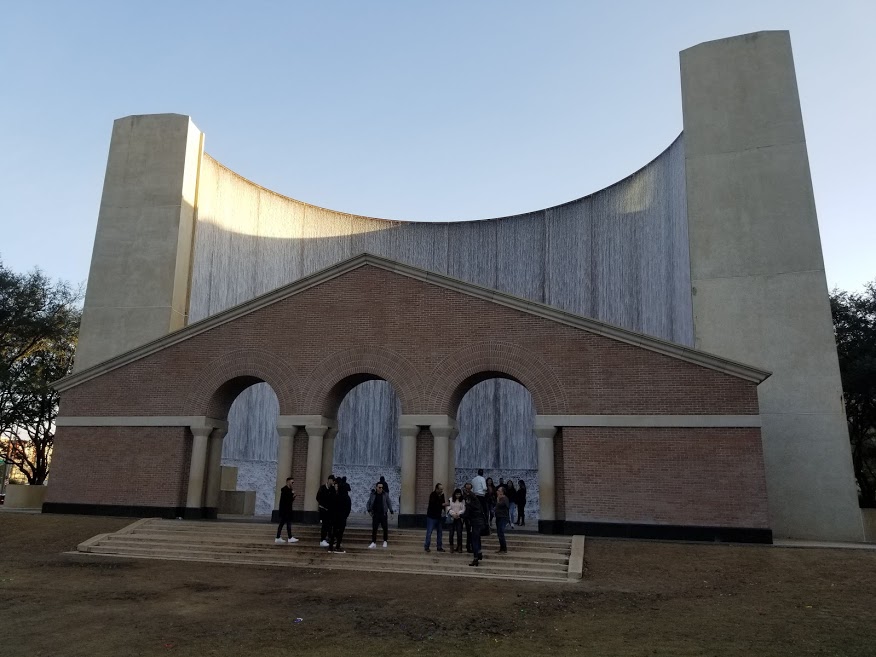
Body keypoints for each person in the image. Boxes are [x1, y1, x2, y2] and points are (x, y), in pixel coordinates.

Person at [463, 486, 486, 566]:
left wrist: (460, 516)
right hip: (480, 521)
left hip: (474, 522)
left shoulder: (469, 502)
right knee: (477, 538)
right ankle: (479, 552)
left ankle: (476, 558)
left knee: (474, 540)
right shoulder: (477, 500)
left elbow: (467, 513)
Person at [367, 480, 394, 548]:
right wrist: (369, 510)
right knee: (374, 528)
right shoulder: (373, 495)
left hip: (383, 514)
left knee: (385, 528)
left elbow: (389, 502)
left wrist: (391, 510)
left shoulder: (385, 494)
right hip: (375, 514)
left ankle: (385, 541)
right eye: (379, 487)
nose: (381, 489)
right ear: (376, 487)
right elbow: (368, 502)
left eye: (382, 487)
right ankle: (373, 542)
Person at [274, 477, 299, 544]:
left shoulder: (289, 490)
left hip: (287, 510)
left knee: (282, 523)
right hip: (285, 510)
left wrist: (293, 496)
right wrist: (292, 495)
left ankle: (278, 537)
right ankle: (289, 537)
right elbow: (286, 500)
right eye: (292, 482)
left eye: (293, 482)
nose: (292, 483)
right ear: (288, 482)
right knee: (287, 523)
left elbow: (290, 501)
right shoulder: (285, 490)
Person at [330, 476, 352, 553]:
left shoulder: (336, 496)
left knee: (334, 531)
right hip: (342, 517)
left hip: (335, 516)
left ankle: (330, 546)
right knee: (340, 532)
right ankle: (337, 546)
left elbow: (332, 506)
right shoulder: (347, 497)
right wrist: (346, 516)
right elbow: (348, 508)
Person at [424, 483, 448, 552]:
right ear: (436, 489)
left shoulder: (442, 495)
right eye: (440, 489)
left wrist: (444, 509)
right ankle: (427, 546)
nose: (441, 490)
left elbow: (442, 505)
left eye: (442, 489)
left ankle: (439, 546)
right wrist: (442, 503)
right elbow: (434, 504)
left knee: (440, 532)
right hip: (431, 516)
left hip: (438, 516)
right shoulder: (433, 495)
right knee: (429, 532)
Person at [316, 474, 337, 547]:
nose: (333, 482)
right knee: (324, 525)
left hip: (330, 511)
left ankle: (329, 539)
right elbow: (318, 497)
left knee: (329, 525)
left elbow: (334, 499)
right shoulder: (322, 488)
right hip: (323, 509)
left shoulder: (332, 489)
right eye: (332, 480)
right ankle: (322, 539)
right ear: (329, 480)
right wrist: (323, 504)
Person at [447, 488, 465, 553]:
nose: (458, 496)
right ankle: (451, 546)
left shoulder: (462, 501)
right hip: (452, 517)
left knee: (459, 533)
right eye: (457, 494)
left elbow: (463, 509)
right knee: (451, 533)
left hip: (459, 518)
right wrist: (453, 514)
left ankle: (459, 547)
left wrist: (458, 514)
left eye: (459, 494)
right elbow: (448, 508)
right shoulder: (450, 499)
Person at [494, 486, 510, 553]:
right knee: (499, 532)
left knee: (501, 532)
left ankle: (504, 548)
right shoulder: (499, 498)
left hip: (503, 517)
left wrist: (498, 500)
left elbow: (501, 505)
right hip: (498, 516)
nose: (497, 491)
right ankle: (501, 547)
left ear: (502, 492)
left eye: (499, 490)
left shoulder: (505, 498)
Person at [462, 482, 474, 553]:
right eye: (467, 489)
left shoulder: (472, 495)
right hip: (463, 514)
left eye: (469, 489)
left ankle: (469, 546)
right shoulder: (463, 495)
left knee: (469, 532)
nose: (468, 490)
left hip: (469, 516)